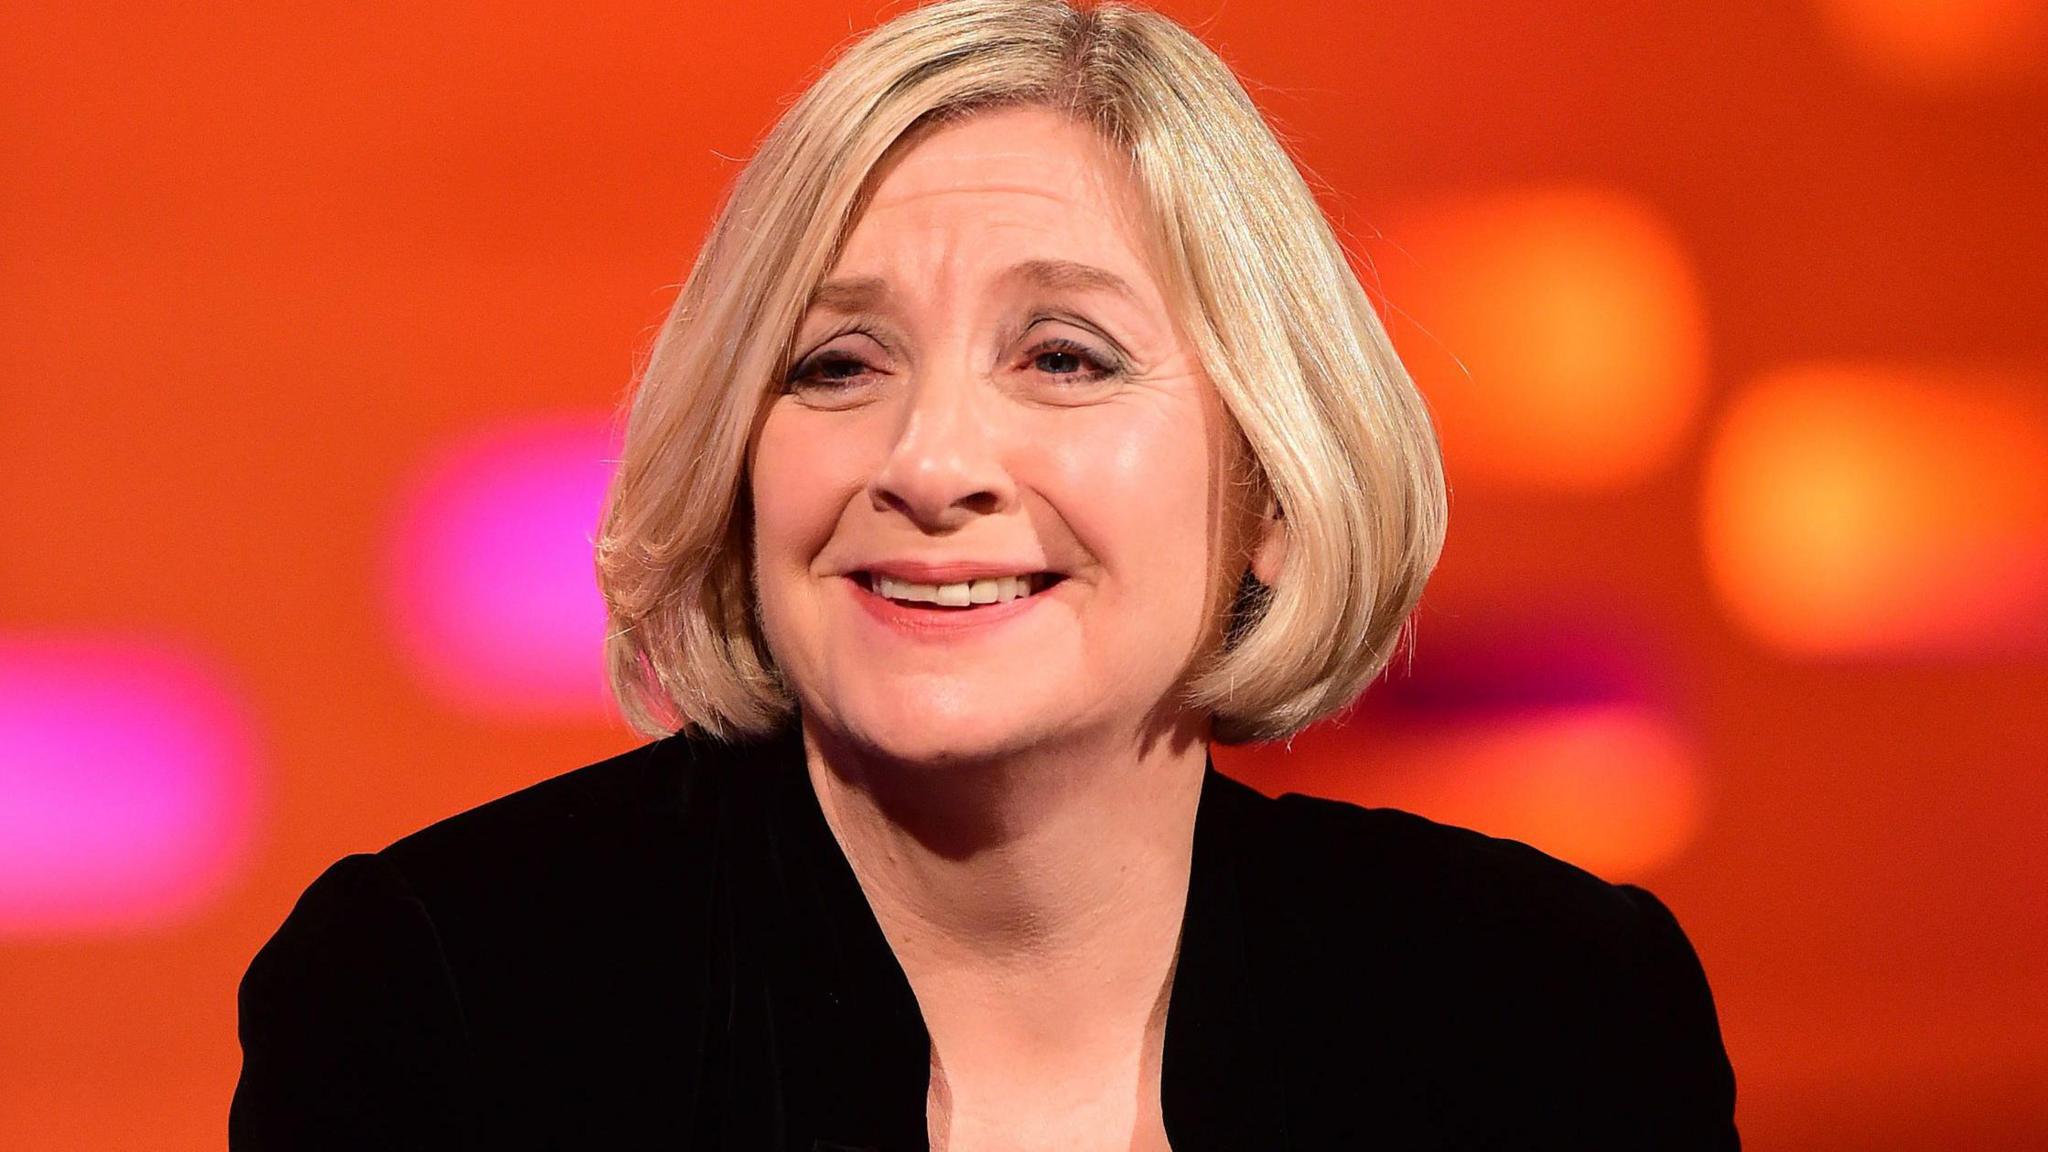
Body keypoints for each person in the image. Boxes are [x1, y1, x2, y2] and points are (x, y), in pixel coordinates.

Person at [230, 0, 1739, 1148]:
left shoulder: (1555, 1018)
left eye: (1064, 356)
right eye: (835, 363)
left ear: (1269, 488)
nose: (929, 460)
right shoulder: (442, 1007)